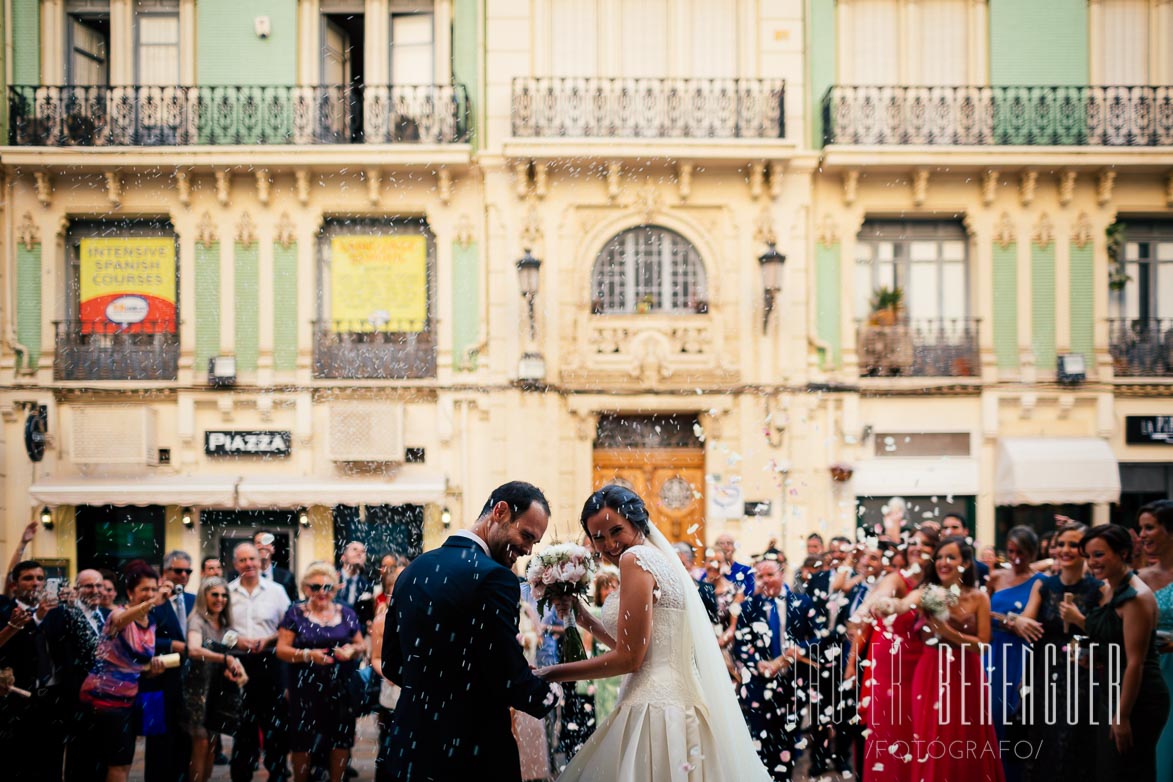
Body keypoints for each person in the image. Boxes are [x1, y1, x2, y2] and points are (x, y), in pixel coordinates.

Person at [536, 484, 773, 781]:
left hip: (655, 710)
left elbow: (631, 659)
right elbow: (642, 647)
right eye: (598, 538)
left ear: (636, 522)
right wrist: (583, 618)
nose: (609, 545)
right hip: (681, 705)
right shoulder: (657, 557)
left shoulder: (633, 559)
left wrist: (550, 673)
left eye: (616, 531)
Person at [380, 481, 561, 780]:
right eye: (526, 535)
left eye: (534, 543)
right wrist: (548, 692)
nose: (528, 549)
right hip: (472, 753)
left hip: (410, 748)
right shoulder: (495, 577)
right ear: (500, 511)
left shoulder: (415, 569)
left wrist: (440, 686)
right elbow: (507, 676)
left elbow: (391, 662)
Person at [1066, 524, 1170, 780]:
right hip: (1112, 689)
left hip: (1137, 697)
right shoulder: (1108, 589)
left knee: (1129, 770)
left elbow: (1135, 662)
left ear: (1123, 553)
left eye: (1099, 554)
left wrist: (1122, 716)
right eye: (1089, 556)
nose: (1092, 562)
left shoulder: (1135, 597)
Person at [1011, 521, 1100, 782]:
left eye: (1073, 544)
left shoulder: (1098, 589)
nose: (1065, 549)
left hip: (1081, 675)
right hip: (1044, 672)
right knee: (1044, 738)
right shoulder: (1045, 586)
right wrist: (1018, 621)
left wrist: (1080, 619)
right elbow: (1025, 622)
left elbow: (1107, 634)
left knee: (1074, 738)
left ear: (1084, 549)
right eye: (1061, 544)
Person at [859, 525, 939, 782]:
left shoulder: (937, 584)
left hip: (924, 663)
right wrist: (880, 603)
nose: (918, 548)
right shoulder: (896, 577)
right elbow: (879, 598)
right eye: (914, 542)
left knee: (920, 730)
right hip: (892, 666)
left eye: (926, 544)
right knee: (891, 730)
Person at [79, 560, 171, 782]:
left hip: (127, 700)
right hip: (104, 701)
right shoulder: (118, 615)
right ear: (130, 592)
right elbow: (119, 621)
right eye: (144, 590)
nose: (150, 594)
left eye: (153, 589)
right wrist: (150, 603)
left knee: (120, 764)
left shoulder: (150, 622)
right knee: (118, 765)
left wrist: (151, 670)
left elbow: (133, 663)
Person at [734, 555, 821, 780]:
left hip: (792, 684)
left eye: (770, 575)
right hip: (758, 686)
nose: (764, 580)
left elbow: (818, 638)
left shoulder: (803, 603)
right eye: (760, 576)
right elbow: (740, 645)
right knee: (761, 743)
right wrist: (756, 663)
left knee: (787, 744)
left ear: (781, 575)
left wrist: (799, 649)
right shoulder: (749, 607)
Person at [276, 562, 365, 782]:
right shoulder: (295, 614)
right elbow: (281, 650)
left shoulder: (346, 613)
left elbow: (361, 645)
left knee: (340, 737)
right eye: (315, 587)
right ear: (305, 589)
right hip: (305, 684)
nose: (321, 593)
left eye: (327, 587)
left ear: (335, 589)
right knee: (302, 739)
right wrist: (308, 655)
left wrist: (351, 650)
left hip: (340, 684)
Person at [226, 542, 292, 782]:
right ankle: (241, 774)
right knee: (243, 725)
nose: (249, 564)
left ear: (261, 561)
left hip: (271, 662)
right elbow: (220, 629)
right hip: (239, 664)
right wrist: (238, 640)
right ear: (235, 565)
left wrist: (268, 639)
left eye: (252, 559)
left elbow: (288, 627)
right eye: (242, 560)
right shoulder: (227, 591)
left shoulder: (277, 591)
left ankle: (277, 773)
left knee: (275, 724)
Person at [986, 525, 1045, 782]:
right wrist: (1009, 620)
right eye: (1010, 551)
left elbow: (1028, 625)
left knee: (1017, 717)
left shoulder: (1039, 581)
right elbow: (982, 612)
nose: (1015, 558)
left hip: (1020, 654)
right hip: (994, 652)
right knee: (991, 714)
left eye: (1021, 552)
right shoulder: (996, 577)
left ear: (1032, 553)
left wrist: (1003, 620)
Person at [42, 568, 109, 782]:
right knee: (79, 761)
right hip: (77, 699)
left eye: (99, 585)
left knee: (102, 759)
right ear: (77, 589)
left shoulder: (107, 615)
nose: (95, 590)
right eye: (89, 586)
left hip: (107, 699)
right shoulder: (64, 614)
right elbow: (54, 644)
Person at [183, 577, 246, 782]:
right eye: (215, 595)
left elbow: (233, 649)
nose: (220, 599)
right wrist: (226, 659)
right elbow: (193, 650)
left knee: (211, 741)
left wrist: (233, 666)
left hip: (217, 689)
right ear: (204, 596)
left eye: (224, 595)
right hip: (197, 690)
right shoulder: (197, 620)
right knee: (200, 742)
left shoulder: (225, 623)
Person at [0, 559, 58, 780]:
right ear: (14, 584)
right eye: (28, 578)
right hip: (15, 701)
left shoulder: (56, 612)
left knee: (50, 765)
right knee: (17, 765)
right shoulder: (4, 611)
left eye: (40, 578)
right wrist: (36, 619)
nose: (35, 583)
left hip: (51, 699)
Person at [145, 550, 195, 782]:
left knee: (186, 739)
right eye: (178, 570)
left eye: (188, 571)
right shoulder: (152, 602)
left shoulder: (195, 600)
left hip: (189, 680)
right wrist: (170, 644)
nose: (183, 575)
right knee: (158, 742)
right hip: (159, 678)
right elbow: (141, 637)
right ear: (165, 572)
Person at [1138, 500, 1173, 782]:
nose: (1142, 535)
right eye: (1141, 529)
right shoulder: (1139, 579)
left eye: (1150, 527)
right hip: (1145, 672)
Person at [941, 513, 990, 585]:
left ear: (965, 532)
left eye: (954, 527)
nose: (949, 532)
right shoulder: (936, 564)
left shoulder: (981, 568)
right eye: (945, 528)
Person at [254, 530, 298, 602]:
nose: (263, 546)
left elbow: (294, 605)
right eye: (258, 543)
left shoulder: (286, 577)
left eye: (267, 542)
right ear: (252, 548)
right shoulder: (244, 576)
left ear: (273, 548)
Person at [336, 541, 371, 609]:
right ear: (343, 557)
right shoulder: (332, 579)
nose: (359, 553)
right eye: (354, 549)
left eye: (363, 551)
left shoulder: (367, 586)